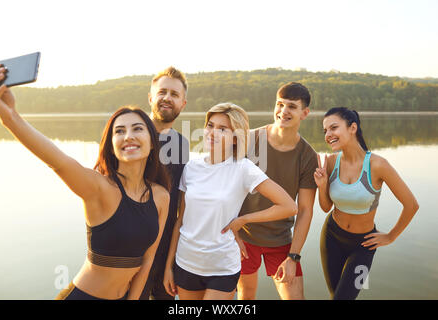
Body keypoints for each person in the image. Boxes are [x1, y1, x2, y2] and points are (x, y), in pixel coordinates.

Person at [0, 63, 170, 300]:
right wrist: (10, 116)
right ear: (111, 146)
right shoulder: (98, 187)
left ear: (152, 141)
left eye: (137, 129)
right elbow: (58, 161)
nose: (128, 136)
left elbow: (147, 261)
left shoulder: (160, 196)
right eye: (119, 131)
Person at [163, 103, 298, 300]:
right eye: (210, 125)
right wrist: (168, 266)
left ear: (236, 138)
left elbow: (289, 206)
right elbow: (180, 221)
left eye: (222, 129)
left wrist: (243, 220)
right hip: (186, 262)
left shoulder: (243, 168)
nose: (212, 133)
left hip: (222, 266)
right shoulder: (191, 167)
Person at [315, 107, 419, 300]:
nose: (328, 135)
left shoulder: (378, 165)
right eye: (325, 131)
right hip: (331, 237)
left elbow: (411, 205)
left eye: (334, 128)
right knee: (335, 296)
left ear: (353, 127)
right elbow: (325, 207)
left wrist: (390, 236)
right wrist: (322, 186)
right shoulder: (330, 162)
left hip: (363, 246)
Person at [237, 82, 318, 300]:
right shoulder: (249, 140)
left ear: (305, 113)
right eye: (280, 104)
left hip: (281, 240)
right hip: (243, 237)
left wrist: (294, 256)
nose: (283, 111)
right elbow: (227, 192)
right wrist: (233, 233)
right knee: (246, 296)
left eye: (291, 106)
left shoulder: (308, 156)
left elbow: (305, 210)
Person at [139, 66, 190, 300]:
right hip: (131, 250)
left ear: (182, 104)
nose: (167, 98)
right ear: (151, 97)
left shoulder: (181, 145)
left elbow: (181, 204)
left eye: (174, 94)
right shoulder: (129, 135)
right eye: (162, 92)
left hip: (166, 251)